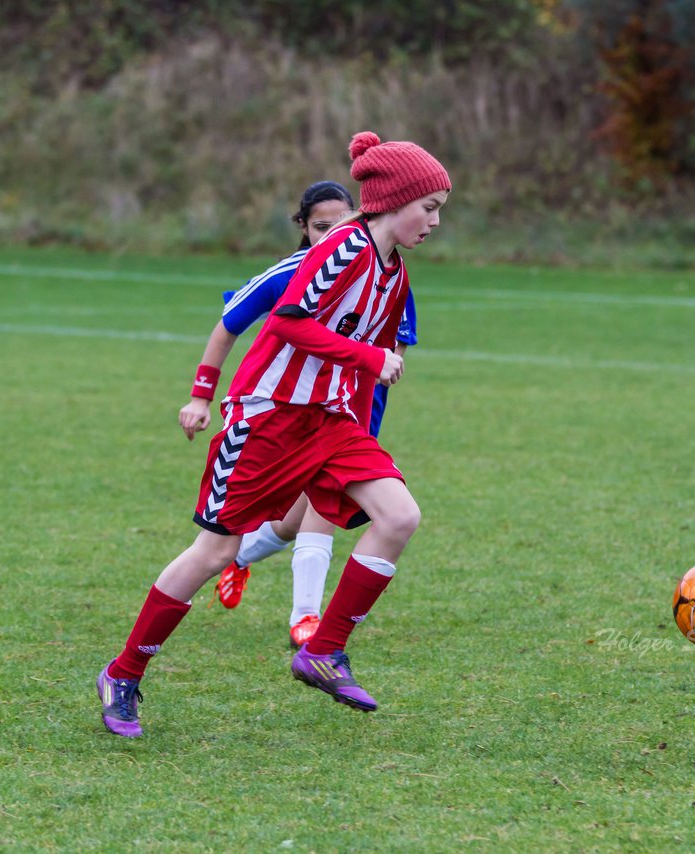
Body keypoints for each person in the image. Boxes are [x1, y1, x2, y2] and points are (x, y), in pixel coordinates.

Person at [97, 130, 450, 737]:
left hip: (330, 422)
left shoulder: (396, 275)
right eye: (430, 207)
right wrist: (365, 359)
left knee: (398, 516)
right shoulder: (342, 248)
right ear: (393, 200)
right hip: (266, 417)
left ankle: (322, 651)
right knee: (216, 553)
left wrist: (366, 434)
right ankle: (123, 672)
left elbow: (370, 360)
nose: (436, 221)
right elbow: (289, 322)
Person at [178, 181, 420, 649]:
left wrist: (365, 401)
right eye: (320, 226)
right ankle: (307, 622)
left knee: (295, 523)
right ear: (304, 230)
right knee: (307, 521)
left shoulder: (389, 271)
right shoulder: (294, 271)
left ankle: (242, 561)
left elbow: (389, 352)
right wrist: (200, 396)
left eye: (342, 220)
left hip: (347, 417)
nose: (333, 231)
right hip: (286, 416)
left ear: (363, 214)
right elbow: (231, 325)